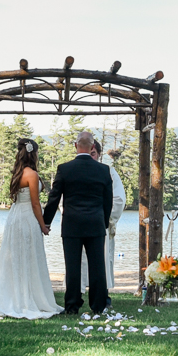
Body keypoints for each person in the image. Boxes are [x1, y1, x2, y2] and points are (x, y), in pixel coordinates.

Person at [0, 139, 60, 319]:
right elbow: (35, 203)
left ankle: (17, 295)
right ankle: (27, 299)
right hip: (27, 218)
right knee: (29, 256)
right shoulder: (32, 174)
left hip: (15, 217)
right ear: (33, 153)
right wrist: (43, 226)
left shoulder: (18, 173)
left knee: (17, 257)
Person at [43, 130, 114, 316]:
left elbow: (54, 198)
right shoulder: (103, 170)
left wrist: (46, 222)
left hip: (72, 224)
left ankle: (72, 305)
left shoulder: (64, 169)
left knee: (72, 266)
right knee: (97, 266)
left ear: (76, 146)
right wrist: (104, 222)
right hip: (95, 223)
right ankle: (98, 306)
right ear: (92, 147)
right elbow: (108, 201)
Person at [82, 140, 126, 292]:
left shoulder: (109, 172)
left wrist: (107, 218)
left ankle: (101, 293)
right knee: (80, 261)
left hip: (101, 222)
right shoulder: (75, 170)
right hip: (79, 224)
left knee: (101, 259)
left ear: (99, 155)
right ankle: (78, 291)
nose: (90, 157)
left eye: (93, 154)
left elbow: (119, 199)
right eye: (88, 153)